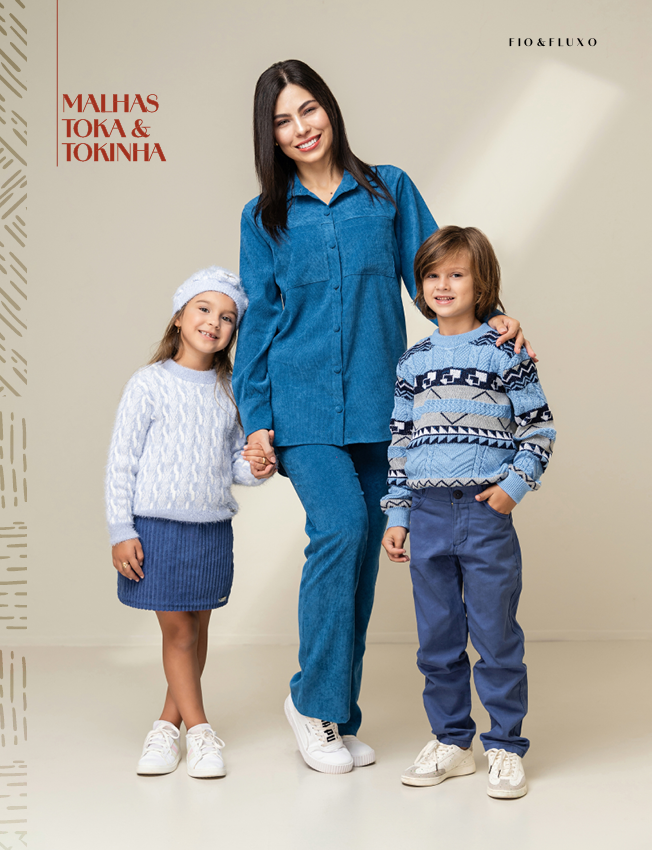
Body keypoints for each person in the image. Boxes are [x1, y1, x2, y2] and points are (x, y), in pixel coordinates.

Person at [234, 59, 531, 775]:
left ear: (330, 109)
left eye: (309, 110)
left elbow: (438, 273)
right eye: (283, 121)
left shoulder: (387, 189)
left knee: (366, 551)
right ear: (270, 137)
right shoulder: (263, 217)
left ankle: (336, 717)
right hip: (302, 409)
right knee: (340, 528)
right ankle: (311, 702)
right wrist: (257, 418)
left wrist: (494, 319)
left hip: (385, 407)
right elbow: (261, 321)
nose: (301, 129)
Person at [381, 226, 555, 798]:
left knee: (495, 634)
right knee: (437, 639)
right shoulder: (413, 362)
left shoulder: (506, 351)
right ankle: (452, 742)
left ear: (482, 285)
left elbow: (539, 428)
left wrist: (513, 487)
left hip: (484, 513)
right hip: (428, 513)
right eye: (432, 275)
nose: (443, 285)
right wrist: (398, 515)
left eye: (456, 274)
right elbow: (400, 443)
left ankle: (505, 746)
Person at [105, 266, 274, 779]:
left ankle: (166, 724)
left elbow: (233, 463)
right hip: (157, 529)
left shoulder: (230, 389)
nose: (213, 322)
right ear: (179, 317)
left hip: (210, 530)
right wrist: (121, 530)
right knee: (178, 632)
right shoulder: (148, 383)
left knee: (196, 632)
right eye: (204, 309)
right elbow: (121, 462)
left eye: (227, 317)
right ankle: (200, 731)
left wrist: (257, 467)